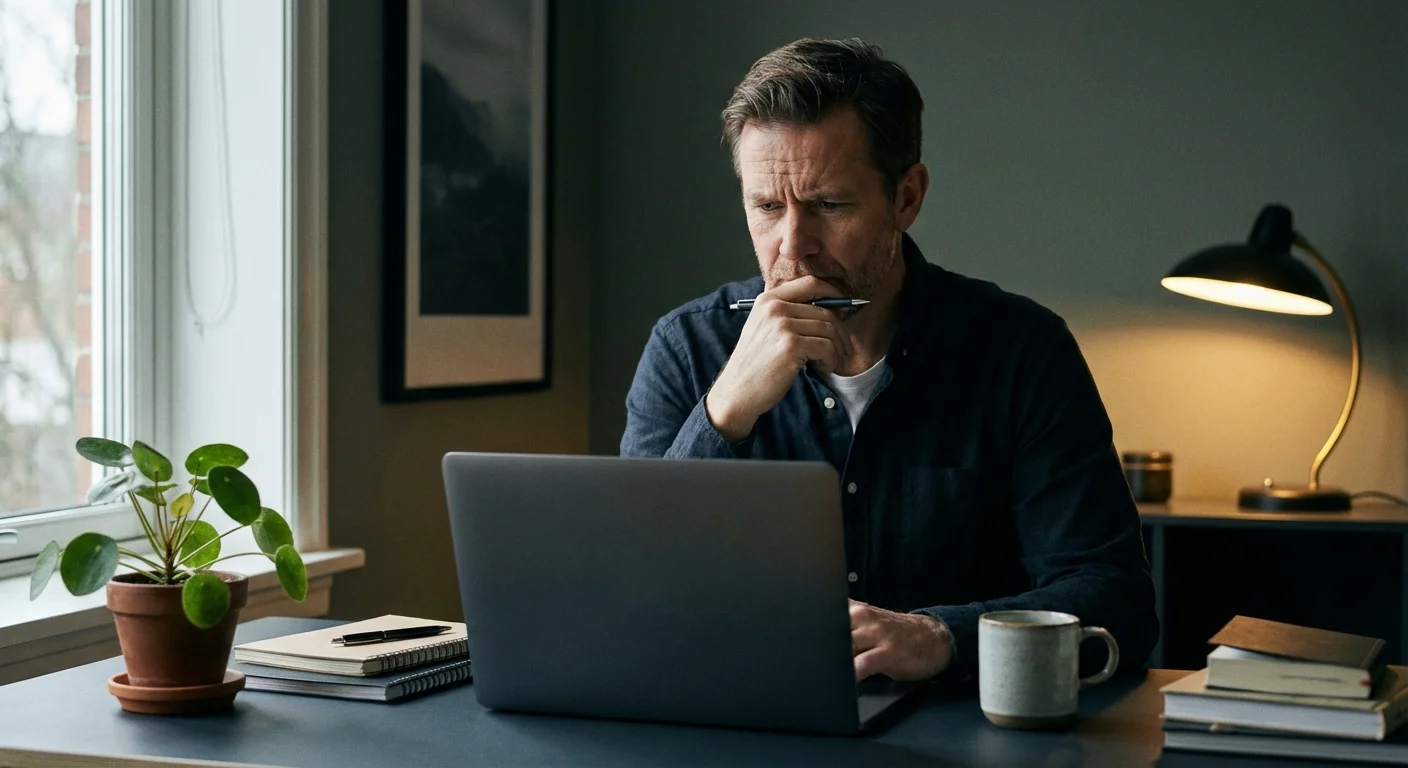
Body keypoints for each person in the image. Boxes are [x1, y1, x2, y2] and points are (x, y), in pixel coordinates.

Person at [619, 37, 1158, 684]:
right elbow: (633, 593)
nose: (795, 245)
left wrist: (941, 637)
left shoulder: (1023, 352)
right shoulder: (686, 348)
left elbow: (1115, 599)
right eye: (766, 207)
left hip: (960, 729)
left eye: (829, 205)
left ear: (906, 198)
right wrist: (725, 411)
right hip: (744, 723)